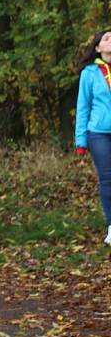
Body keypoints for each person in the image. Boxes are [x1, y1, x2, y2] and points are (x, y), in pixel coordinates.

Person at [74, 29, 111, 246]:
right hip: (99, 133)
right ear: (98, 48)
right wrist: (81, 140)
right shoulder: (89, 73)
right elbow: (83, 107)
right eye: (107, 38)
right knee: (108, 179)